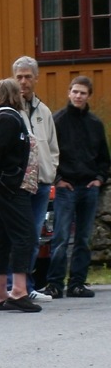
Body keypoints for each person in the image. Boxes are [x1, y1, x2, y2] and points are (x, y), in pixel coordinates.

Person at [0, 78, 41, 313]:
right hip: (6, 188)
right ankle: (19, 291)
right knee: (25, 235)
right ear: (14, 95)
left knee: (0, 238)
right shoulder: (9, 119)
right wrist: (3, 179)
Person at [41, 76, 110, 299]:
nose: (78, 96)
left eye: (83, 93)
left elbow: (104, 157)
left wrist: (99, 179)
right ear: (69, 92)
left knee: (84, 238)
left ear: (89, 96)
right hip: (66, 187)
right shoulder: (57, 121)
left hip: (89, 187)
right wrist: (58, 179)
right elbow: (48, 153)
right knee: (61, 237)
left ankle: (77, 283)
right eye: (75, 91)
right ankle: (54, 284)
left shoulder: (95, 124)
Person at [11, 57, 59, 301]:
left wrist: (50, 171)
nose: (23, 81)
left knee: (33, 237)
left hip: (41, 184)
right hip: (19, 185)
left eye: (28, 76)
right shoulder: (9, 110)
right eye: (19, 77)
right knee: (19, 235)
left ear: (36, 79)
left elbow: (52, 147)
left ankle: (26, 286)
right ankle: (14, 286)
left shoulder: (44, 111)